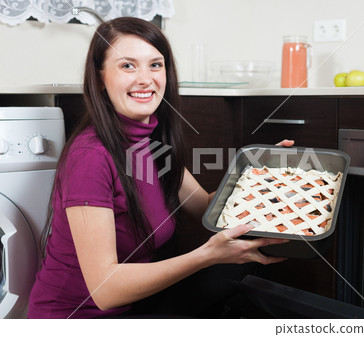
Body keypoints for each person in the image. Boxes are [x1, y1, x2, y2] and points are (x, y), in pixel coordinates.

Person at [27, 17, 293, 319]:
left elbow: (207, 206)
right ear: (100, 78)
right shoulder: (90, 157)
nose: (145, 78)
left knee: (249, 268)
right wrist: (204, 256)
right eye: (128, 66)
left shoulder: (150, 144)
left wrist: (255, 173)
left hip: (135, 305)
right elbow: (105, 290)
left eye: (155, 65)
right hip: (80, 318)